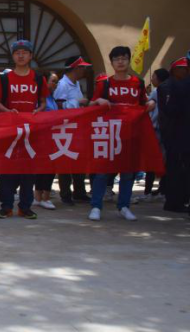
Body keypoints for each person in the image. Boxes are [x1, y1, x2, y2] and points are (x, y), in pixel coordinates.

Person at [89, 46, 156, 222]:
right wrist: (98, 100)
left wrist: (150, 104)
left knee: (128, 172)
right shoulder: (104, 84)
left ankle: (124, 206)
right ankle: (96, 206)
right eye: (117, 59)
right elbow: (90, 105)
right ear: (111, 62)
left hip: (131, 134)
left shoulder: (137, 82)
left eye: (124, 58)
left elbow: (143, 103)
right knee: (102, 172)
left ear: (129, 61)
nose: (120, 62)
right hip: (109, 134)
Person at [0, 40, 49, 220]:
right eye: (18, 52)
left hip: (31, 130)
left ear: (31, 56)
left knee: (29, 169)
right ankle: (6, 207)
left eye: (25, 52)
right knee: (7, 169)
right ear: (13, 56)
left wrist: (38, 110)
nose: (21, 55)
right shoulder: (4, 79)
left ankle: (25, 207)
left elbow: (43, 102)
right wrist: (8, 111)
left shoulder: (38, 78)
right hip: (10, 130)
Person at [54, 56, 94, 206]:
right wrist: (77, 102)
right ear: (76, 68)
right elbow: (58, 106)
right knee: (65, 161)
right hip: (65, 129)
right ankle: (65, 194)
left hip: (77, 127)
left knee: (79, 160)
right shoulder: (63, 84)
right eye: (82, 67)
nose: (84, 70)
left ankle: (79, 192)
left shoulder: (76, 84)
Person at [158, 55, 190, 214]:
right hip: (176, 134)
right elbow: (169, 111)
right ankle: (174, 201)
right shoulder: (168, 86)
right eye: (183, 69)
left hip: (179, 134)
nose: (186, 72)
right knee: (176, 169)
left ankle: (177, 199)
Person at [136, 68, 170, 203]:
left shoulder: (157, 91)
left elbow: (148, 107)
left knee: (151, 161)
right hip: (166, 130)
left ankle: (148, 191)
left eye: (154, 76)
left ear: (159, 78)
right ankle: (163, 189)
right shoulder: (169, 90)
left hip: (155, 129)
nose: (152, 79)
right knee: (164, 161)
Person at [34, 72, 60, 210]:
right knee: (44, 168)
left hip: (52, 137)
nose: (55, 84)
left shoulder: (52, 98)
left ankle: (43, 197)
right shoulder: (39, 99)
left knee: (50, 168)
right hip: (42, 138)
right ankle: (42, 197)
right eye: (53, 81)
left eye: (56, 81)